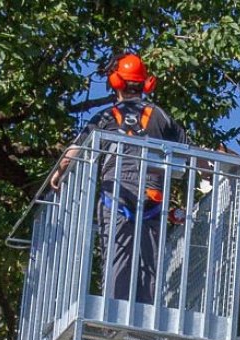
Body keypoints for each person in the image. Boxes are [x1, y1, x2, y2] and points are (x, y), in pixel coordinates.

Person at [51, 53, 188, 304]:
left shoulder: (105, 117)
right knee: (150, 268)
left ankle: (113, 319)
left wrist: (59, 174)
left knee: (117, 263)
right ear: (147, 83)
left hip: (117, 198)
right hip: (153, 199)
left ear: (116, 82)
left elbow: (72, 155)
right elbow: (187, 153)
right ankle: (143, 326)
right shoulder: (161, 116)